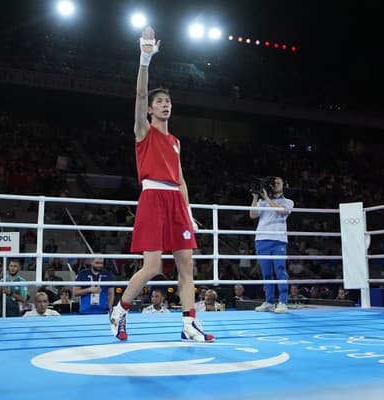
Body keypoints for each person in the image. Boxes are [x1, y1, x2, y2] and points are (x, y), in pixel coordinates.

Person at [109, 26, 214, 343]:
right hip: (153, 198)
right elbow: (140, 94)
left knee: (187, 266)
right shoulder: (143, 131)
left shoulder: (176, 141)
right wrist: (145, 58)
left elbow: (181, 180)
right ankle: (120, 312)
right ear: (151, 108)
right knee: (152, 266)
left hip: (176, 204)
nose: (166, 104)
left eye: (168, 100)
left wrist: (189, 211)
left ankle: (188, 324)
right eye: (160, 101)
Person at [250, 176, 294, 314]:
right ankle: (269, 302)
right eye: (273, 183)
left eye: (278, 182)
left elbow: (281, 211)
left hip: (278, 239)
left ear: (283, 185)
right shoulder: (262, 202)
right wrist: (256, 198)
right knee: (266, 273)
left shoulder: (288, 202)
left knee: (280, 270)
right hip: (262, 239)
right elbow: (252, 215)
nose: (275, 184)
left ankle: (282, 302)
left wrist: (268, 199)